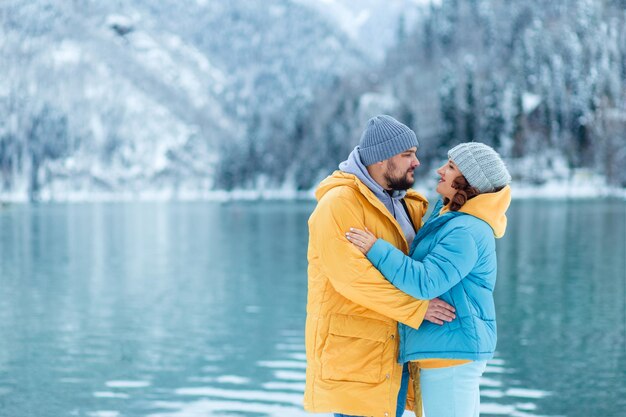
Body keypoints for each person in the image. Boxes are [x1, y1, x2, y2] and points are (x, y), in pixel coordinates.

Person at [304, 115, 456, 417]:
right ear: (381, 159)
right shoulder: (338, 204)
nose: (417, 162)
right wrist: (418, 308)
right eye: (407, 155)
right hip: (357, 359)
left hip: (396, 353)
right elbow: (353, 280)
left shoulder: (408, 203)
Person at [346, 142, 512, 417]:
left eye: (450, 167)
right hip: (447, 350)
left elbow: (425, 282)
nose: (439, 170)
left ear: (468, 181)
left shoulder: (465, 230)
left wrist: (376, 248)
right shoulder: (453, 220)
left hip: (450, 354)